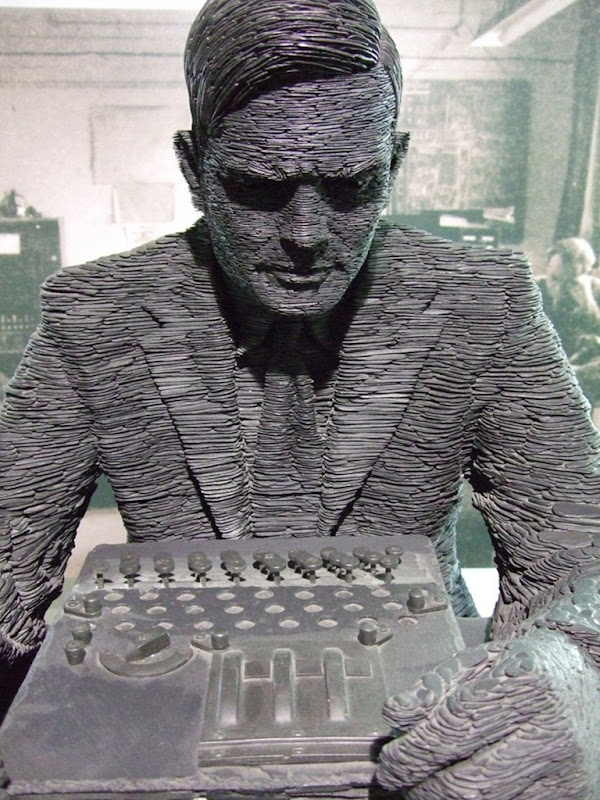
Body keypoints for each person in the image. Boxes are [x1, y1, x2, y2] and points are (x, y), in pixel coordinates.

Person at [1, 0, 600, 796]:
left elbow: (581, 556)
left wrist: (571, 671)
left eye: (353, 187)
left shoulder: (481, 304)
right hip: (165, 718)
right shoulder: (99, 316)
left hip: (416, 716)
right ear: (193, 169)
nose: (309, 235)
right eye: (258, 188)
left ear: (395, 161)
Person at [538, 237, 600, 419]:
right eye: (555, 279)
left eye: (570, 282)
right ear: (547, 268)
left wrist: (588, 303)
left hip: (581, 372)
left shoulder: (594, 291)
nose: (560, 289)